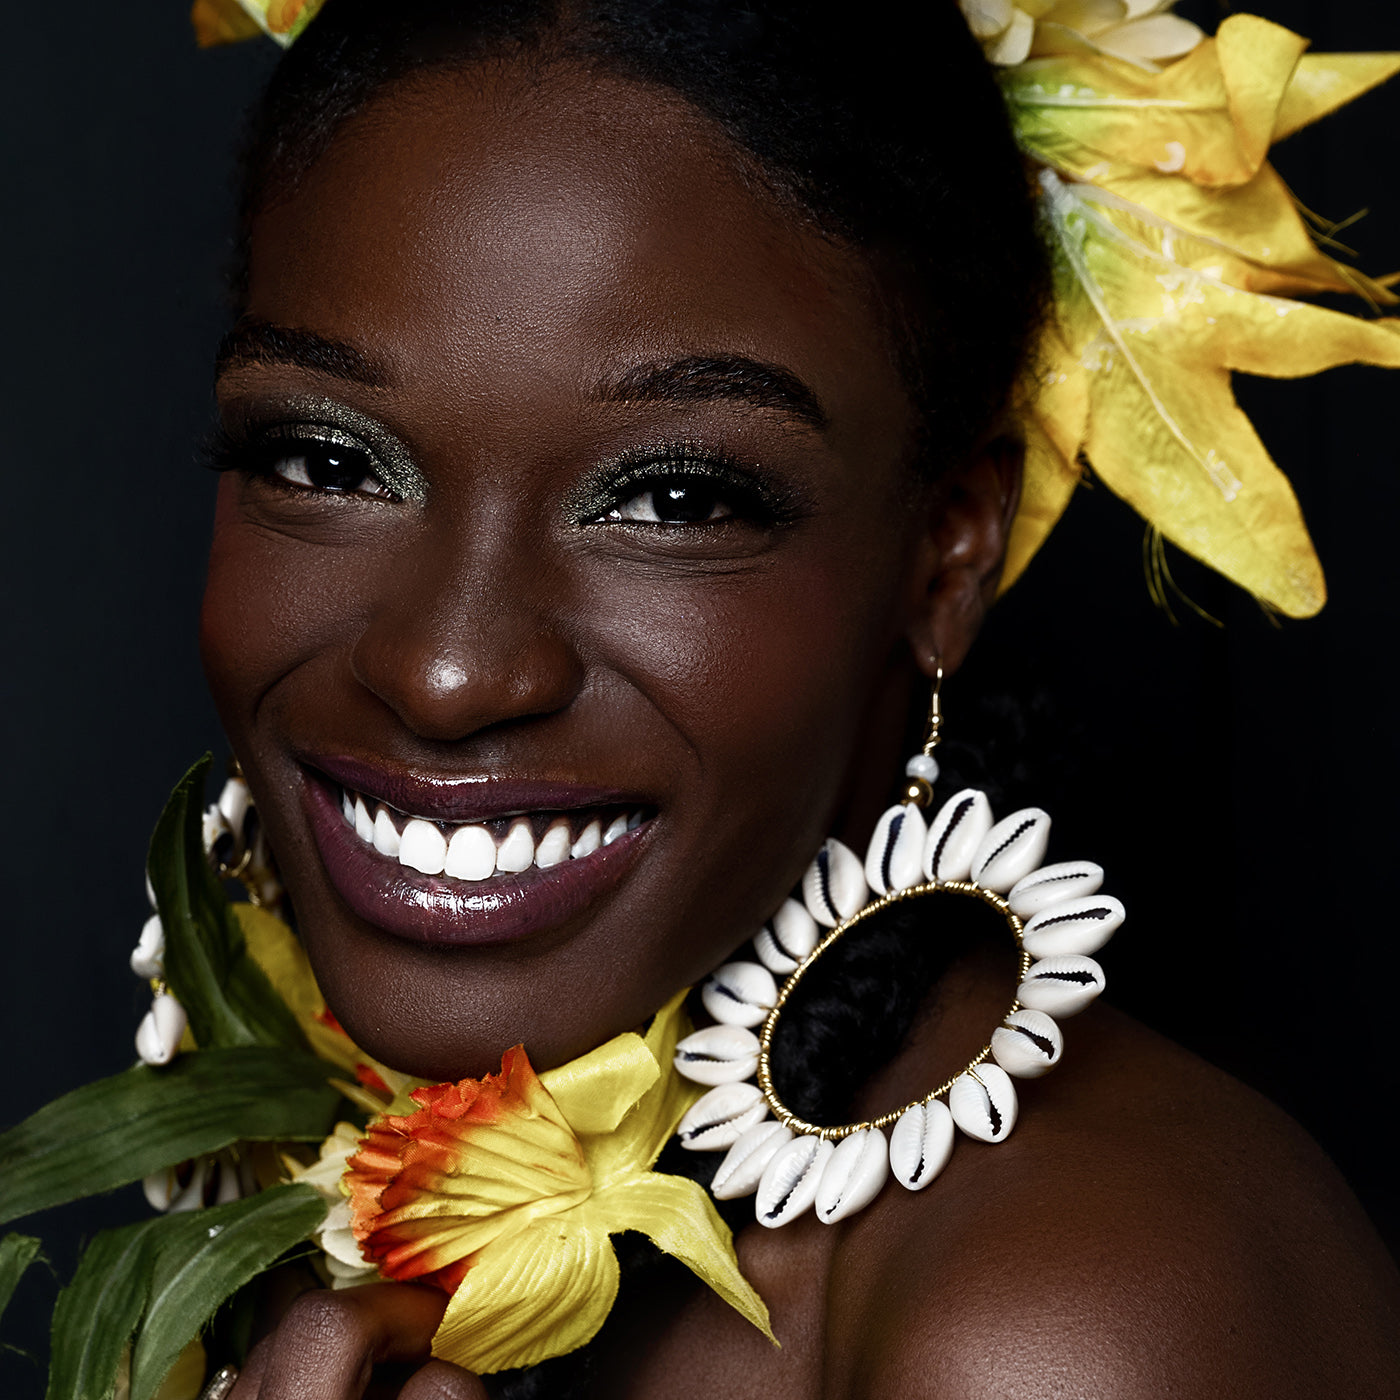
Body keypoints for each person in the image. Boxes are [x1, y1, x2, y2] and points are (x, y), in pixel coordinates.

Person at [4, 2, 1399, 1397]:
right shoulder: (376, 1223)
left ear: (945, 558)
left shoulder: (1075, 1324)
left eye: (675, 498)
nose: (445, 671)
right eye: (326, 461)